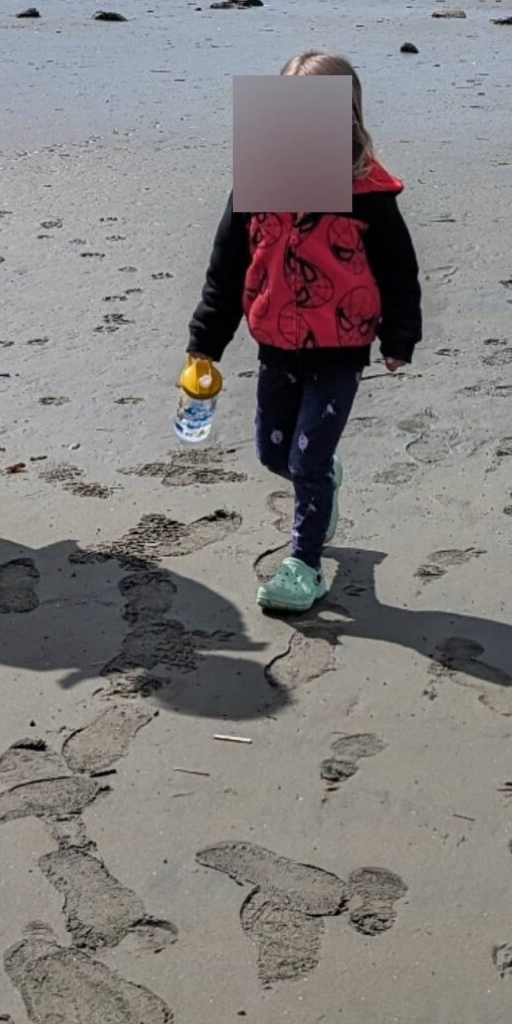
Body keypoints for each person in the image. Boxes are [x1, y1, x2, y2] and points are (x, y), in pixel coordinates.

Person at [186, 51, 422, 611]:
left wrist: (399, 336)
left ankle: (304, 565)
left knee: (306, 461)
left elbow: (398, 268)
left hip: (340, 349)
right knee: (275, 455)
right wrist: (205, 342)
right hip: (276, 345)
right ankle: (325, 479)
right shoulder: (260, 183)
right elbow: (227, 268)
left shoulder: (368, 194)